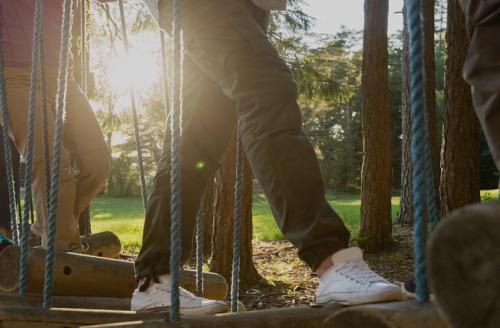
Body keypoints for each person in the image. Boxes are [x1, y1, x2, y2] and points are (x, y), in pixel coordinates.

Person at [131, 0, 402, 314]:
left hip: (245, 7)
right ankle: (330, 260)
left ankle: (154, 283)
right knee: (266, 90)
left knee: (194, 140)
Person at [0, 0, 111, 252]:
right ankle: (62, 253)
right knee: (51, 163)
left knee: (96, 163)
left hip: (60, 75)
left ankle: (49, 227)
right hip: (12, 73)